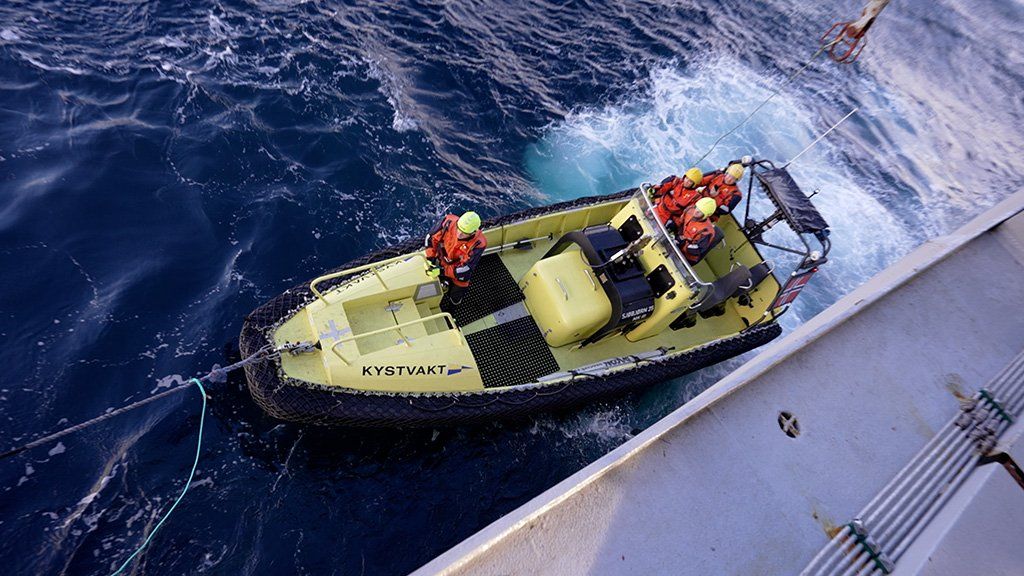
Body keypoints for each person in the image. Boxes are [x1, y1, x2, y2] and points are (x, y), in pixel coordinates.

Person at [424, 211, 487, 304]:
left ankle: (453, 304)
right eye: (458, 229)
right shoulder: (447, 222)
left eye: (464, 233)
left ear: (474, 232)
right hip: (442, 260)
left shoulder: (478, 244)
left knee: (456, 295)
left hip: (458, 271)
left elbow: (466, 269)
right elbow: (430, 238)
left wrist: (442, 271)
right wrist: (430, 259)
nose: (459, 234)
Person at [677, 197, 718, 264]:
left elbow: (697, 249)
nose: (696, 211)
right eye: (697, 207)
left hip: (687, 257)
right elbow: (680, 223)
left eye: (701, 211)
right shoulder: (689, 210)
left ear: (707, 215)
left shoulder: (707, 231)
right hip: (677, 243)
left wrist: (684, 242)